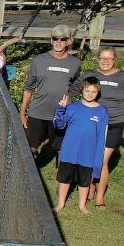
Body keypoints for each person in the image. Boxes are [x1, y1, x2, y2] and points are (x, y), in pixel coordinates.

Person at [70, 47, 124, 208]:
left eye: (109, 58)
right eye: (102, 58)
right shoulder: (90, 75)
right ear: (97, 59)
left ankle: (99, 198)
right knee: (91, 158)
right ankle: (90, 187)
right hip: (93, 122)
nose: (105, 61)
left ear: (115, 60)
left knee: (101, 160)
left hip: (114, 123)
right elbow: (73, 89)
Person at [20, 25, 82, 157]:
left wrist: (69, 97)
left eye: (63, 39)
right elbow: (29, 87)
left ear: (69, 41)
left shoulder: (75, 63)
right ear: (51, 39)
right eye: (55, 38)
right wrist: (22, 113)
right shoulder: (38, 61)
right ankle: (30, 176)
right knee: (31, 148)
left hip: (60, 113)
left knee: (60, 148)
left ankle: (62, 175)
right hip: (37, 112)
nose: (58, 42)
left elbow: (77, 83)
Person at [53, 77, 108, 214]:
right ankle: (60, 204)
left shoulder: (102, 112)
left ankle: (82, 206)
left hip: (88, 154)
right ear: (81, 91)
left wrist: (97, 159)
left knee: (84, 181)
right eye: (87, 91)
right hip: (69, 152)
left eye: (93, 91)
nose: (90, 94)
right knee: (64, 179)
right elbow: (59, 125)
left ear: (98, 93)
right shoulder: (73, 108)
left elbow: (102, 136)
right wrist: (61, 109)